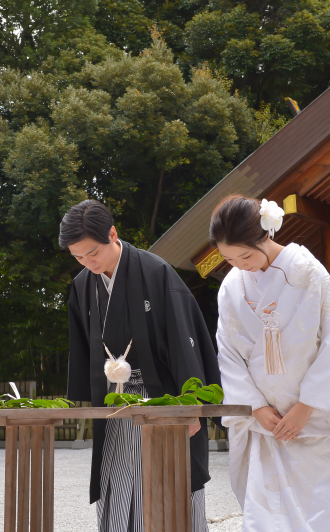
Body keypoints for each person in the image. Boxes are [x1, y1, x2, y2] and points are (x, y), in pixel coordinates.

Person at [211, 195, 330, 532]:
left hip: (317, 419)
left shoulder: (306, 271)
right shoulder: (230, 288)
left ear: (265, 236)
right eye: (228, 258)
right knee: (269, 515)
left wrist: (306, 406)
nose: (239, 265)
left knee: (328, 511)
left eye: (245, 255)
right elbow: (227, 352)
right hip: (268, 424)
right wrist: (255, 406)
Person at [62, 199, 221, 532]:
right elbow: (84, 347)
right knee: (116, 480)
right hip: (115, 402)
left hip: (162, 398)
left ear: (113, 234)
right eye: (78, 257)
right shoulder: (81, 286)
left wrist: (191, 406)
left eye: (92, 253)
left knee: (169, 480)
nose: (87, 262)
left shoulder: (156, 272)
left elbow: (183, 339)